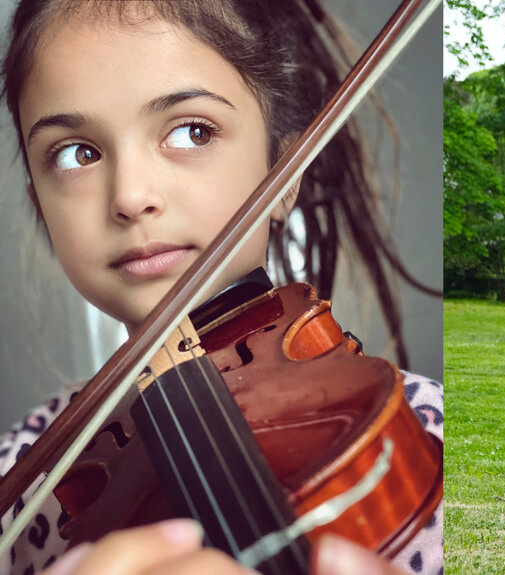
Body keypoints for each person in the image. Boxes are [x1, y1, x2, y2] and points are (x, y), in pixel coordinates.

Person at [0, 0, 442, 573]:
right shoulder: (30, 480)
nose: (131, 196)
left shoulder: (426, 430)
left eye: (191, 131)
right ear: (40, 201)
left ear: (284, 175)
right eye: (77, 153)